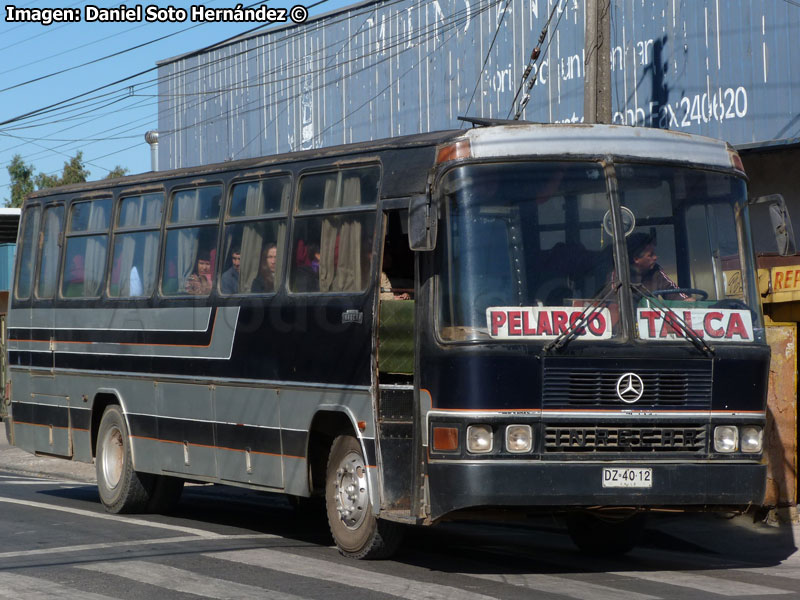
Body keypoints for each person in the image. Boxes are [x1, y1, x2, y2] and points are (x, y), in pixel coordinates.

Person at [626, 232, 694, 301]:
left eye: (654, 253)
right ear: (636, 259)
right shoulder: (620, 275)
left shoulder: (656, 271)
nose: (655, 257)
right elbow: (615, 305)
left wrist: (685, 301)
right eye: (650, 255)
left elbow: (671, 290)